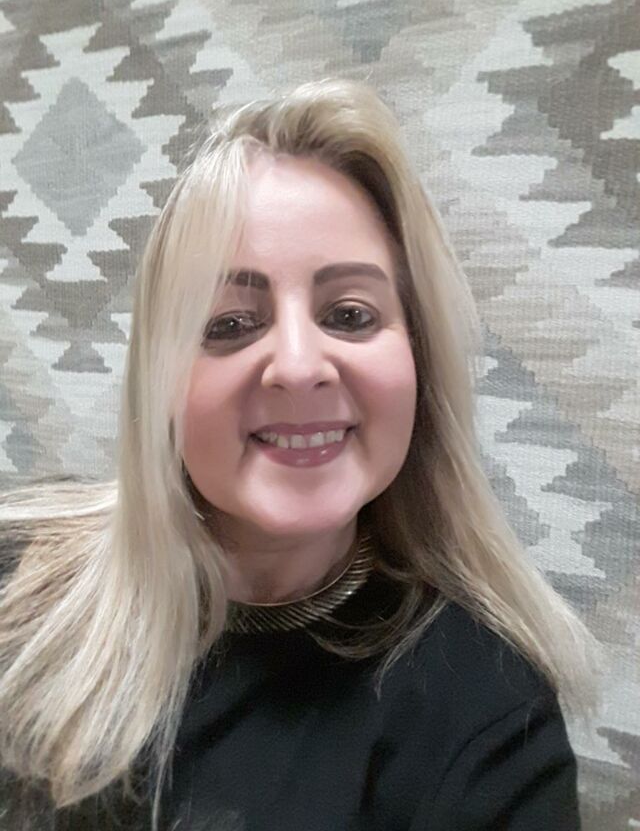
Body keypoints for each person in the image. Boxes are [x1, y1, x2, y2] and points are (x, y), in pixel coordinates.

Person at [0, 78, 602, 831]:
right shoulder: (19, 570)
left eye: (349, 314)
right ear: (161, 384)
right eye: (229, 323)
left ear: (417, 362)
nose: (296, 366)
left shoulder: (489, 721)